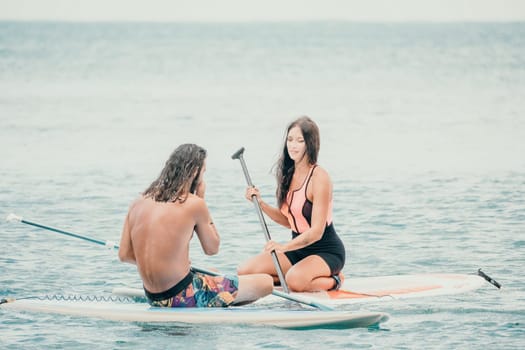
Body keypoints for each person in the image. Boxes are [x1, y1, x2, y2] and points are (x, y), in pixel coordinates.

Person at [119, 144, 273, 307]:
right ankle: (218, 304)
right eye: (203, 171)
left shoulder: (138, 202)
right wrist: (201, 197)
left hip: (153, 296)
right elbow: (212, 248)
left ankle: (219, 300)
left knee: (213, 271)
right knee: (266, 282)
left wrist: (163, 264)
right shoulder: (193, 204)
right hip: (183, 296)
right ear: (194, 172)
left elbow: (124, 255)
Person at [237, 116, 346, 292]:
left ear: (309, 144)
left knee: (295, 281)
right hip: (298, 250)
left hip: (325, 251)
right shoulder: (288, 174)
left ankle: (335, 280)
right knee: (245, 272)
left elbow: (316, 232)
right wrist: (260, 203)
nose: (292, 145)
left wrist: (283, 247)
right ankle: (290, 279)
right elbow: (290, 221)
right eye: (290, 140)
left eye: (299, 141)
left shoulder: (319, 177)